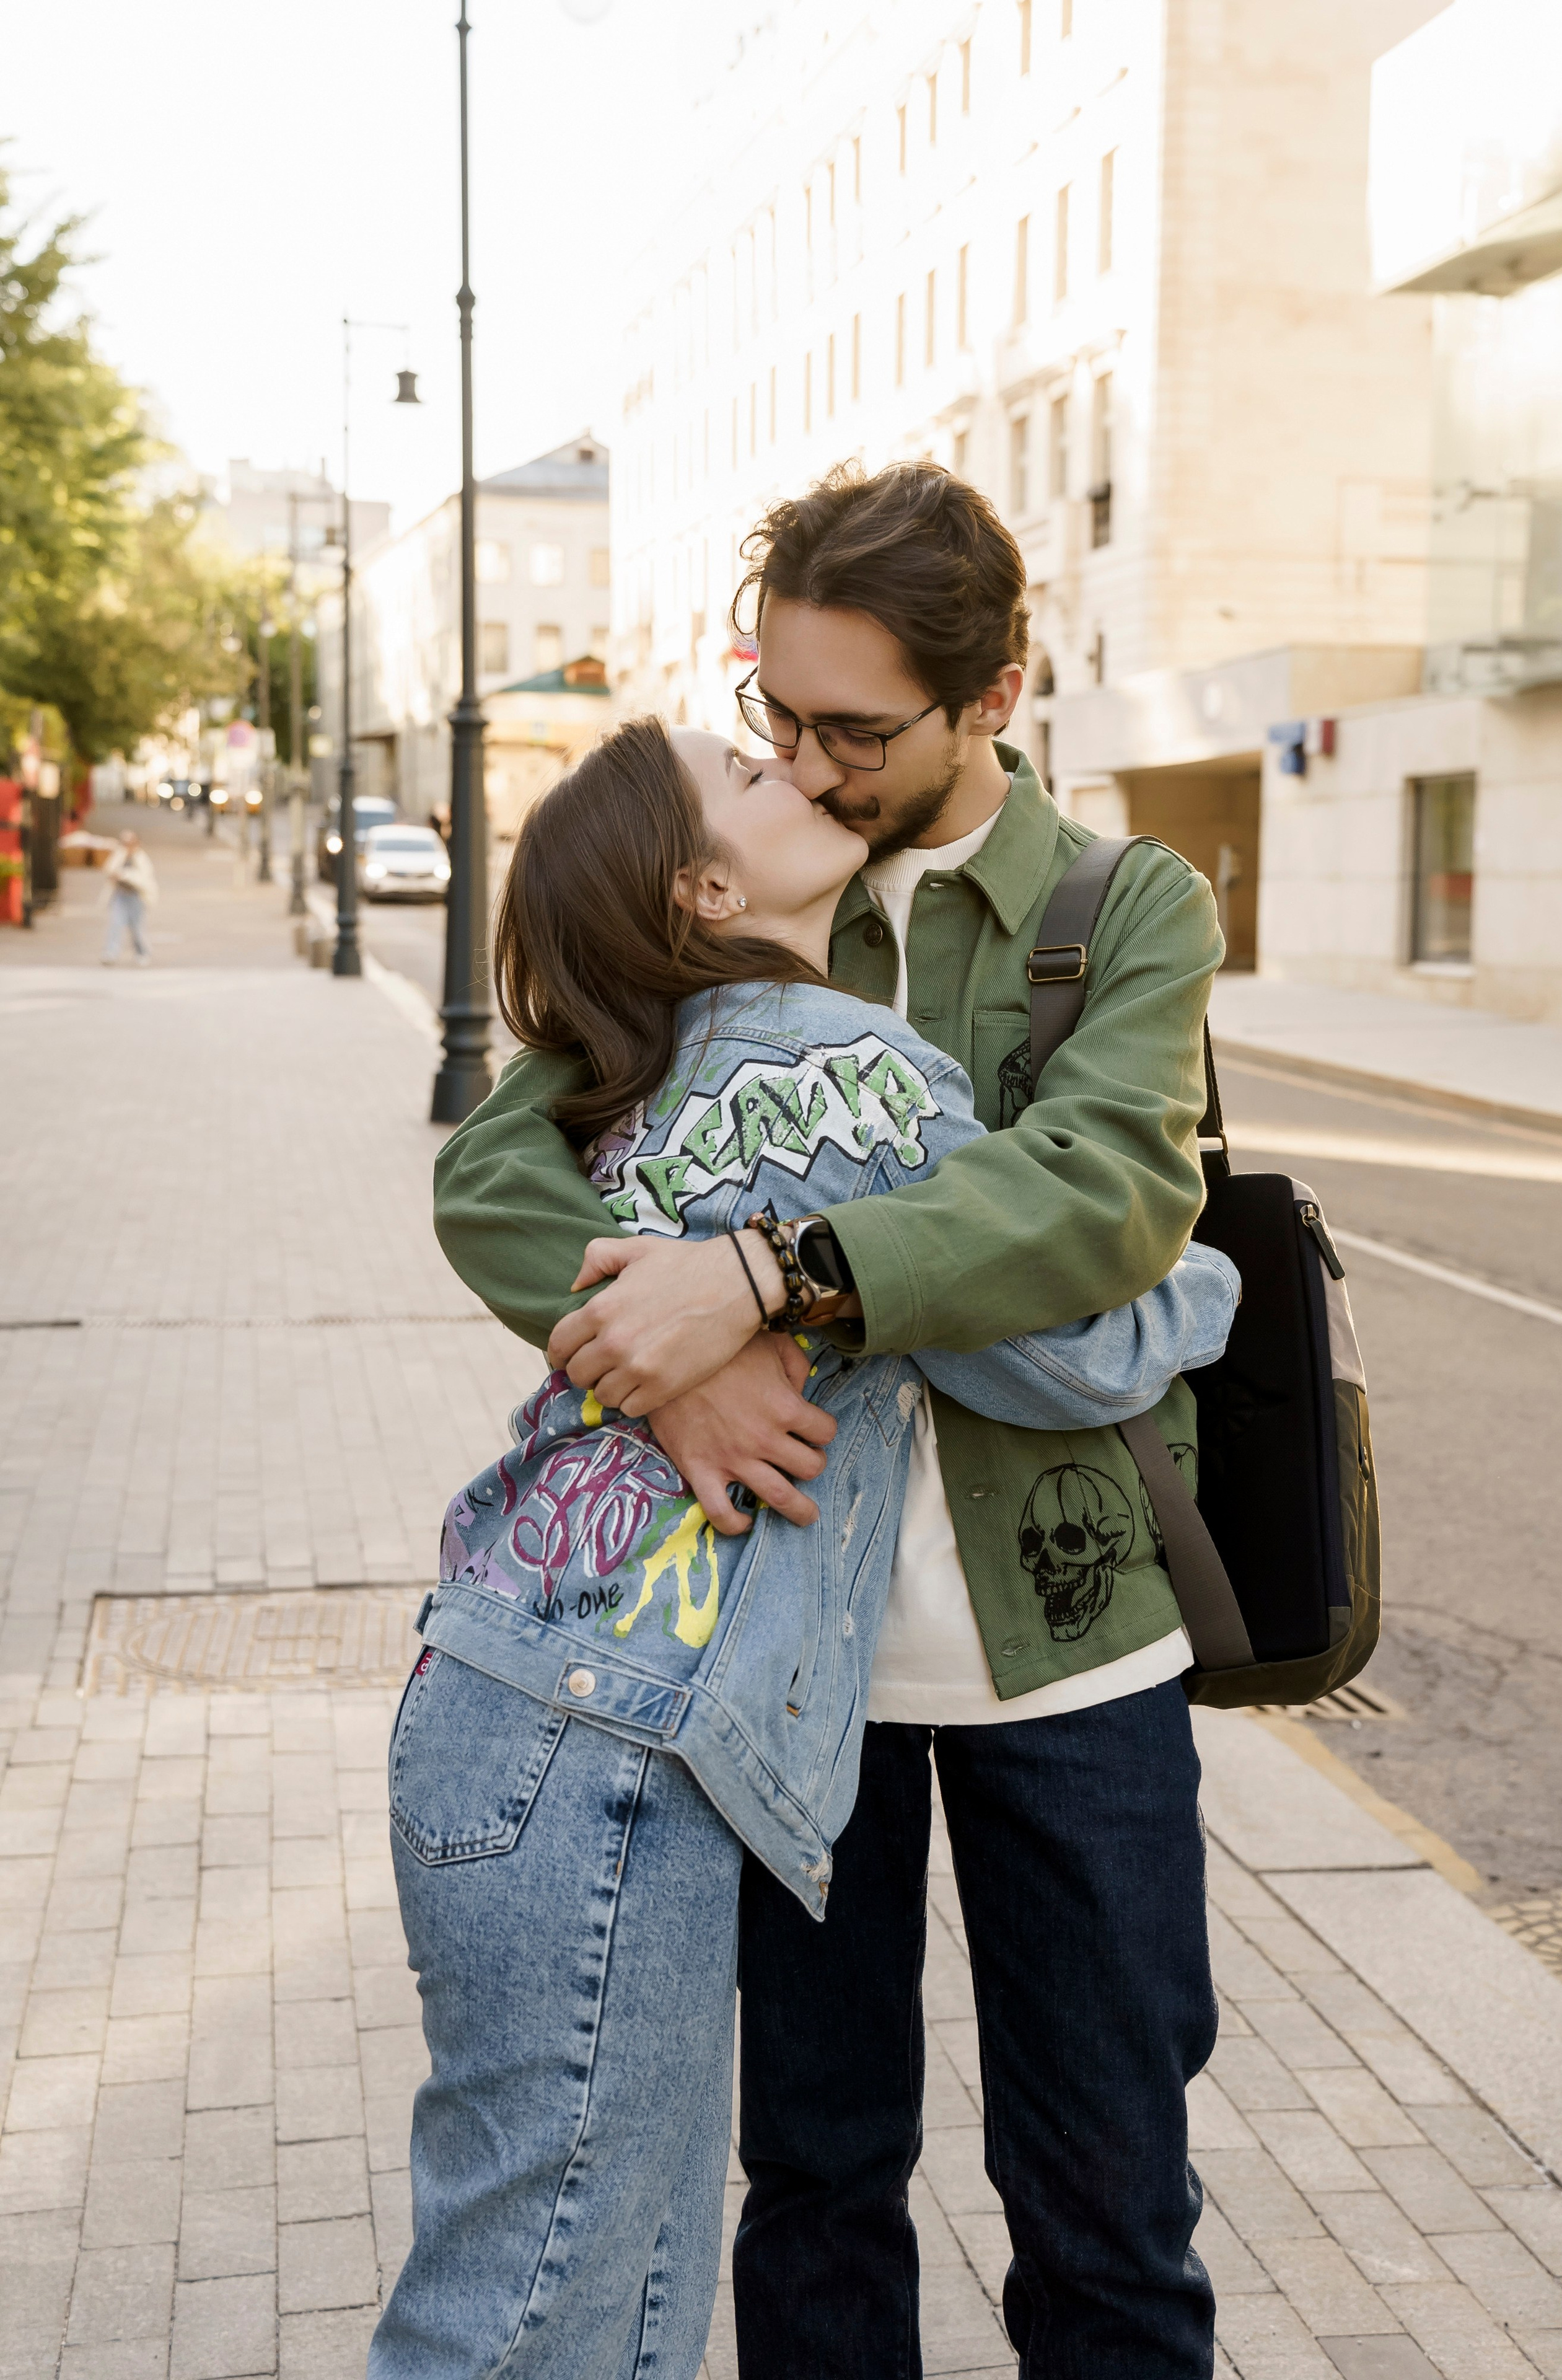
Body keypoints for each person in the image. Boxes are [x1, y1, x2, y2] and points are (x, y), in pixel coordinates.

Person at [433, 462, 1228, 2377]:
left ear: (994, 694)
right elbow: (495, 1174)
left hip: (1071, 1645)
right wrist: (673, 1351)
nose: (804, 761)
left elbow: (1103, 1199)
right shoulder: (716, 890)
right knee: (813, 2176)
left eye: (854, 730)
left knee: (1112, 2207)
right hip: (787, 1666)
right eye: (772, 714)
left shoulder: (1127, 905)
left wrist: (770, 1273)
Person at [101, 829, 157, 966]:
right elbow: (109, 870)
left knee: (138, 928)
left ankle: (142, 953)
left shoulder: (141, 858)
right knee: (115, 924)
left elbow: (144, 879)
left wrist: (125, 875)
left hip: (136, 896)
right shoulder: (119, 855)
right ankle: (111, 953)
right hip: (120, 895)